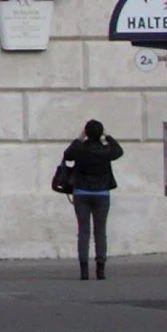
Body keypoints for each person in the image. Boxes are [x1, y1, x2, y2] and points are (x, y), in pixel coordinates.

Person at [58, 118, 125, 280]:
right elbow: (119, 151)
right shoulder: (106, 150)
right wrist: (107, 137)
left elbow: (67, 154)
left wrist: (79, 138)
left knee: (83, 231)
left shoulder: (80, 150)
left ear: (86, 133)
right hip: (102, 193)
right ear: (100, 133)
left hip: (81, 192)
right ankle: (100, 269)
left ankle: (84, 270)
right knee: (100, 232)